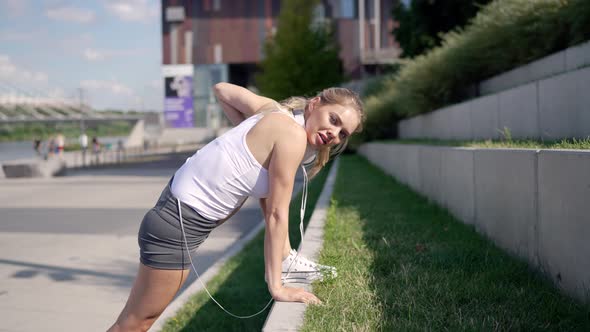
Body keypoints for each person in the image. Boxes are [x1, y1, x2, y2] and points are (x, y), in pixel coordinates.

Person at [108, 83, 364, 331]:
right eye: (334, 119)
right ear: (315, 103)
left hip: (172, 215)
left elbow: (222, 89)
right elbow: (276, 213)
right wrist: (277, 288)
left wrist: (244, 136)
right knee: (135, 324)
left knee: (130, 322)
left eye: (343, 134)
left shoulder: (273, 110)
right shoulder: (292, 134)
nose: (334, 133)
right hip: (177, 227)